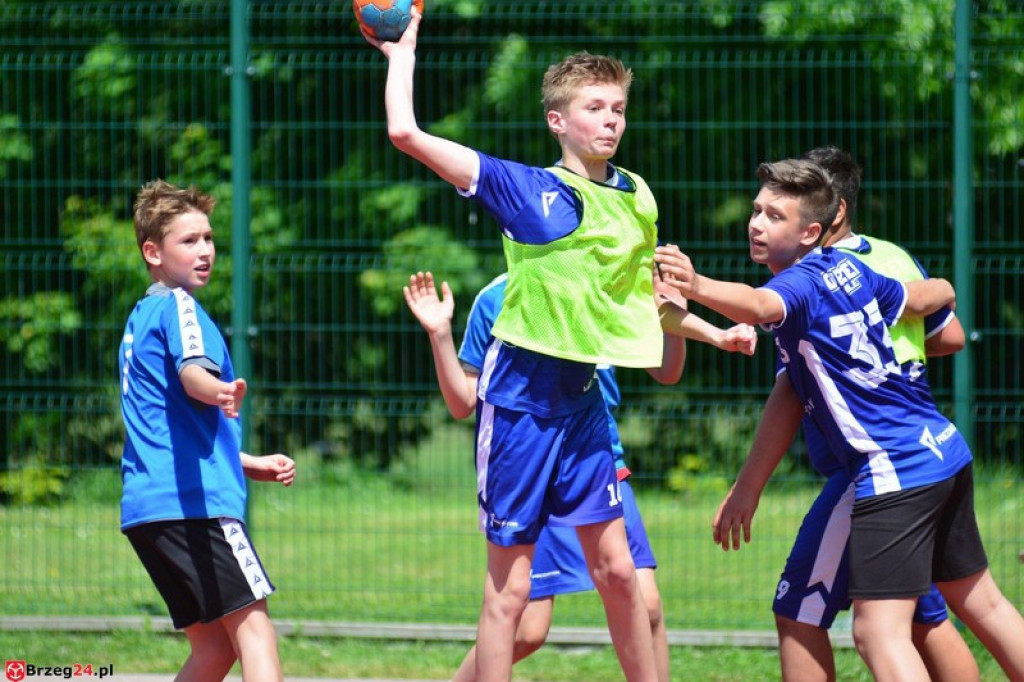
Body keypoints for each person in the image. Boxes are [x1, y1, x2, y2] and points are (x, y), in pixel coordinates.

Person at [364, 9, 680, 678]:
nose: (611, 119)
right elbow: (404, 132)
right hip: (519, 407)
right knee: (510, 592)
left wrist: (695, 316)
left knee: (621, 574)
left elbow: (640, 302)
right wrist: (403, 53)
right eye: (594, 107)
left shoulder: (637, 196)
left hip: (584, 405)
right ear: (558, 121)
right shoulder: (527, 190)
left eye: (618, 107)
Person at [654, 158, 1024, 682]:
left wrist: (695, 284)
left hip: (892, 469)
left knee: (878, 633)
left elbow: (758, 306)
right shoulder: (854, 268)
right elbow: (926, 297)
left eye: (774, 216)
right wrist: (944, 288)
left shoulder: (799, 285)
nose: (757, 223)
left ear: (810, 232)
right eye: (756, 210)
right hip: (942, 448)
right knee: (982, 604)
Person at [403, 270, 756, 682]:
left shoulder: (604, 281)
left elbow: (666, 371)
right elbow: (463, 401)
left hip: (599, 462)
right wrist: (439, 333)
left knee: (648, 603)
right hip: (537, 469)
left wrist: (676, 304)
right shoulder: (498, 297)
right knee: (528, 629)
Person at [118, 179, 296, 682]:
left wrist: (247, 462)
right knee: (255, 633)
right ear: (152, 251)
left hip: (148, 511)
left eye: (209, 238)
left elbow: (170, 432)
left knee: (215, 651)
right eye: (189, 241)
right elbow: (193, 373)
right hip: (195, 507)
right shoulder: (179, 307)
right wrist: (215, 390)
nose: (205, 251)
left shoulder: (139, 319)